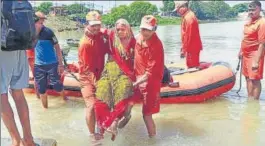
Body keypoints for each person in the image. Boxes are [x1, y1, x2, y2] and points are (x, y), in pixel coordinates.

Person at [0, 1, 37, 145]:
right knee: (18, 94)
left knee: (1, 97)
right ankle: (28, 139)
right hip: (19, 49)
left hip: (3, 51)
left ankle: (16, 140)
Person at [93, 18, 136, 140]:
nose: (120, 32)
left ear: (128, 29)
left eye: (123, 29)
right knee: (101, 94)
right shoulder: (112, 35)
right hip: (109, 70)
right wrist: (89, 29)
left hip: (125, 73)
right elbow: (98, 29)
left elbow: (138, 62)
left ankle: (117, 121)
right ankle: (101, 128)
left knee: (123, 91)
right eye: (118, 29)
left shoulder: (134, 42)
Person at [77, 10, 110, 142]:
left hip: (100, 75)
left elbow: (110, 47)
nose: (96, 28)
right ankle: (92, 135)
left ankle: (101, 130)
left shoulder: (100, 36)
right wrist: (98, 84)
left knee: (103, 104)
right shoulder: (85, 44)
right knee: (91, 106)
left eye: (98, 24)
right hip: (87, 78)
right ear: (86, 25)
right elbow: (87, 69)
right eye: (93, 25)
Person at [131, 15, 164, 137]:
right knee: (127, 104)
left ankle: (152, 139)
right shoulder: (138, 37)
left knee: (146, 114)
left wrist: (134, 84)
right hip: (137, 77)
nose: (145, 32)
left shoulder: (156, 46)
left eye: (148, 30)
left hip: (150, 82)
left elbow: (149, 74)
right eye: (143, 29)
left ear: (154, 29)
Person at [33, 11, 66, 109]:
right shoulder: (30, 32)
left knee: (57, 86)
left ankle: (65, 99)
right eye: (40, 20)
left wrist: (60, 64)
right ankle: (45, 110)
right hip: (38, 65)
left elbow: (57, 48)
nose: (42, 22)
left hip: (52, 64)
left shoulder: (49, 32)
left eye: (43, 20)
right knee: (42, 90)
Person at [239, 0, 265, 100]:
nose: (251, 12)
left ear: (259, 9)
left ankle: (255, 102)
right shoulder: (249, 22)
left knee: (255, 79)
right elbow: (245, 38)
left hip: (255, 54)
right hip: (245, 54)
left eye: (253, 10)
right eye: (249, 10)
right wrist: (240, 51)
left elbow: (262, 43)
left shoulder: (262, 23)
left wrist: (256, 61)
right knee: (247, 77)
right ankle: (250, 99)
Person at [173, 0, 203, 68]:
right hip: (191, 47)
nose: (177, 12)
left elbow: (189, 36)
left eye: (178, 9)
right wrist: (183, 47)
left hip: (192, 47)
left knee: (192, 67)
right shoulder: (187, 16)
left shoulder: (189, 18)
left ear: (183, 7)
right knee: (191, 66)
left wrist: (184, 50)